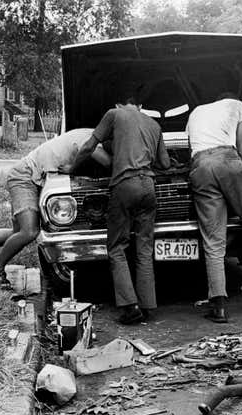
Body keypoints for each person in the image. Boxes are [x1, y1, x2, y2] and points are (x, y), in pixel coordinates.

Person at [0, 128, 111, 287]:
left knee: (16, 233)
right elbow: (108, 162)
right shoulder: (91, 140)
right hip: (24, 177)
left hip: (27, 175)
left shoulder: (89, 134)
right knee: (29, 231)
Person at [71, 95, 170, 325]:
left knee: (117, 246)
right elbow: (164, 163)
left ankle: (130, 306)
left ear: (118, 104)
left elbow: (89, 146)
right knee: (144, 247)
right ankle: (147, 305)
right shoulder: (154, 124)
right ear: (141, 106)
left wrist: (72, 168)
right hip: (149, 187)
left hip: (125, 185)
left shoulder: (114, 114)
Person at [186, 93, 242, 323]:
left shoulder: (196, 112)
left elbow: (192, 151)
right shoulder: (237, 105)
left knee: (213, 240)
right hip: (227, 160)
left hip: (200, 166)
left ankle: (218, 307)